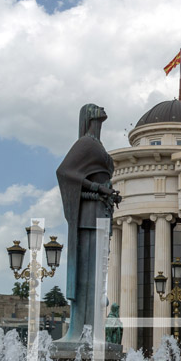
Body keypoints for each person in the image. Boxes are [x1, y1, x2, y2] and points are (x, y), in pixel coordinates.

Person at [56, 104, 120, 345]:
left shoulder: (97, 144)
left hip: (100, 215)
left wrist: (108, 194)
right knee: (88, 276)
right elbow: (64, 172)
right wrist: (97, 188)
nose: (102, 107)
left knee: (98, 277)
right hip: (88, 219)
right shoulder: (86, 143)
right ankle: (80, 332)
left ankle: (92, 330)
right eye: (95, 107)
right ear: (90, 115)